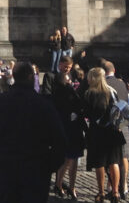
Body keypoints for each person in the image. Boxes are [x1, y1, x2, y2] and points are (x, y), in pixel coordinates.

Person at [0, 60, 67, 203]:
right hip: (37, 170)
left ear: (14, 76)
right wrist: (49, 167)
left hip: (9, 168)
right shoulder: (44, 104)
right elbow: (60, 141)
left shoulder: (0, 101)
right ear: (32, 77)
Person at [82, 67, 124, 203]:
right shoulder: (112, 92)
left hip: (97, 131)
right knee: (114, 162)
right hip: (112, 130)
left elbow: (86, 113)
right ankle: (116, 192)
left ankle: (101, 192)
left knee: (100, 163)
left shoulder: (90, 93)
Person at [51, 70, 85, 200]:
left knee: (74, 160)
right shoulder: (59, 93)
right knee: (67, 160)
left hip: (75, 128)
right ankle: (59, 184)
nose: (69, 82)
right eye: (67, 80)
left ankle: (72, 186)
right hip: (66, 129)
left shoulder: (71, 91)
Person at [103, 60, 129, 200]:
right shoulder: (122, 83)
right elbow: (127, 102)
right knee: (124, 156)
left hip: (110, 125)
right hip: (123, 123)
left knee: (112, 158)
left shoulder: (103, 84)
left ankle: (112, 186)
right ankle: (124, 185)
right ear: (114, 70)